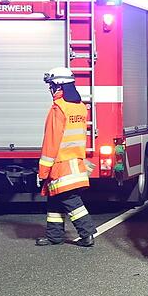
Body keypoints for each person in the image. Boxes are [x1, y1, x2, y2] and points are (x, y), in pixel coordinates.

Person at [35, 67, 97, 247]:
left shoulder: (58, 109)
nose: (50, 89)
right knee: (55, 199)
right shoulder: (79, 107)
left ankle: (87, 233)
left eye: (51, 85)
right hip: (75, 163)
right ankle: (54, 236)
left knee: (70, 199)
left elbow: (51, 143)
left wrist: (43, 172)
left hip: (60, 165)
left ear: (59, 86)